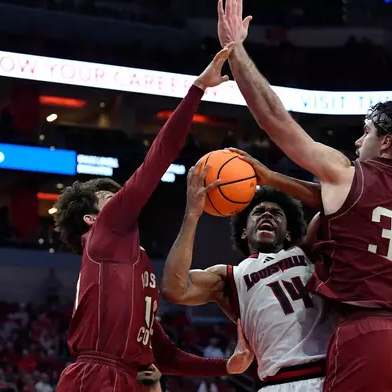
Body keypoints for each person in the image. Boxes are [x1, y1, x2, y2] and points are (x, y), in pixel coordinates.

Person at [217, 2, 392, 390]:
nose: (357, 138)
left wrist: (236, 50)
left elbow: (274, 119)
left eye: (365, 131)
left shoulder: (348, 175)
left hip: (367, 336)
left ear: (385, 143)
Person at [53, 45, 253, 392]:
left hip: (124, 378)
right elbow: (157, 159)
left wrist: (226, 366)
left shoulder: (135, 262)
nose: (120, 199)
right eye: (109, 197)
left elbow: (164, 355)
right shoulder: (107, 230)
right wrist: (197, 90)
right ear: (90, 218)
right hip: (95, 377)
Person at [161, 164, 332, 392]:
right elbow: (174, 288)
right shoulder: (231, 276)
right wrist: (192, 214)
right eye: (259, 212)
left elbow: (334, 201)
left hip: (333, 373)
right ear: (244, 230)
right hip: (278, 382)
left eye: (276, 213)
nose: (268, 214)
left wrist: (271, 176)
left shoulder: (306, 251)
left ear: (289, 232)